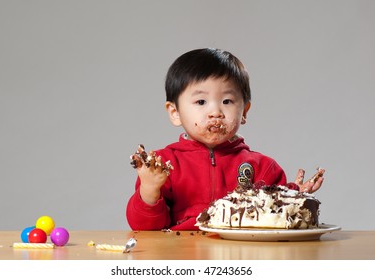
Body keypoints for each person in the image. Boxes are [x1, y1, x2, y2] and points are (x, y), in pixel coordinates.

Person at [126, 48, 324, 230]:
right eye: (201, 101)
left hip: (242, 256)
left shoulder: (262, 167)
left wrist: (296, 194)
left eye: (227, 101)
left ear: (244, 111)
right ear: (175, 112)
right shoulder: (162, 166)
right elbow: (144, 227)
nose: (215, 112)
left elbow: (277, 214)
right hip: (183, 256)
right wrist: (150, 189)